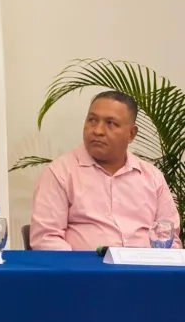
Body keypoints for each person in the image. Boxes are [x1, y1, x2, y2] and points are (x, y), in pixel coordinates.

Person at [30, 90, 182, 250]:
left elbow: (169, 239)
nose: (98, 131)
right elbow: (46, 238)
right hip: (84, 266)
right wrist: (80, 266)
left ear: (131, 134)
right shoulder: (60, 173)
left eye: (110, 123)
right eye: (92, 120)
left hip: (145, 266)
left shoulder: (152, 177)